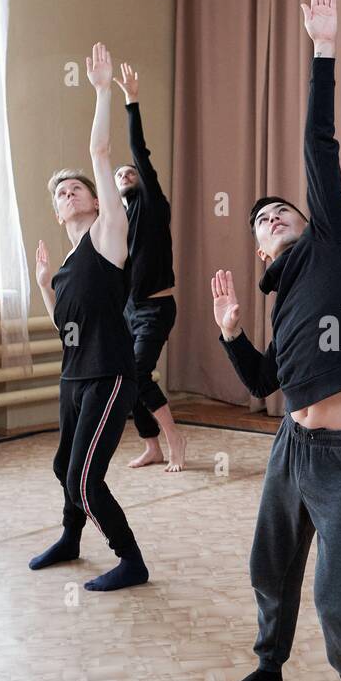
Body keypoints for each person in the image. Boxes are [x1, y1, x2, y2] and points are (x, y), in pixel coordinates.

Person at [210, 0, 341, 681]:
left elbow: (320, 144)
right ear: (258, 247)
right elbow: (260, 385)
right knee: (268, 570)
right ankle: (271, 663)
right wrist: (228, 332)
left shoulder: (334, 247)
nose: (272, 214)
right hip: (290, 447)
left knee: (335, 596)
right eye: (261, 219)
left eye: (281, 207)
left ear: (305, 219)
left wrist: (324, 49)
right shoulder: (284, 303)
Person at [28, 42, 148, 593]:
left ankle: (130, 560)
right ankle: (72, 538)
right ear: (57, 213)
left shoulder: (107, 238)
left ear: (97, 203)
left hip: (110, 374)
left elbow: (100, 150)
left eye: (76, 187)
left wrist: (102, 91)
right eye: (60, 193)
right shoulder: (69, 267)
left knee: (84, 475)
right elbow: (64, 329)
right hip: (74, 376)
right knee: (63, 469)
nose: (69, 192)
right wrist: (43, 290)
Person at [111, 62, 187, 472]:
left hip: (156, 308)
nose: (125, 173)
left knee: (137, 373)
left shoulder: (153, 206)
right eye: (118, 173)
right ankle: (151, 444)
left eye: (130, 172)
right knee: (127, 378)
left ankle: (175, 439)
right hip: (129, 311)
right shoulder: (116, 223)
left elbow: (140, 152)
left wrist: (131, 100)